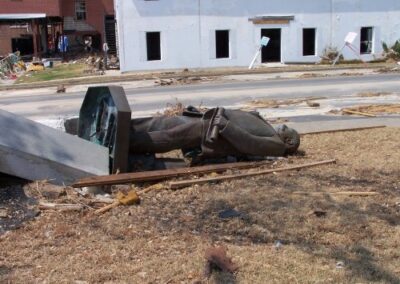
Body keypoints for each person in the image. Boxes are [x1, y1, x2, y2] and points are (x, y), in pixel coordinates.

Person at [129, 107, 300, 160]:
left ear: (289, 142)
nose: (284, 126)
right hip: (209, 121)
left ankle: (128, 142)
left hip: (213, 134)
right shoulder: (270, 128)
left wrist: (225, 125)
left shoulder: (277, 145)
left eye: (287, 131)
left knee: (170, 136)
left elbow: (249, 143)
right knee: (163, 122)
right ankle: (126, 127)